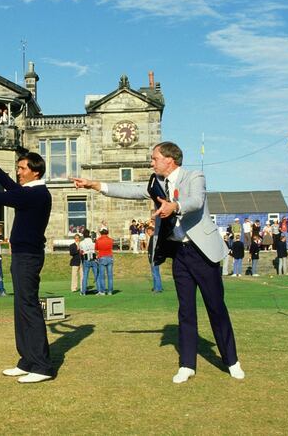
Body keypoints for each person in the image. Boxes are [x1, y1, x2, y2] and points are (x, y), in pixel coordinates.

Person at [73, 141, 244, 383]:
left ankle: (231, 360)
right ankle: (187, 365)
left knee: (216, 308)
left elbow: (196, 201)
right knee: (185, 311)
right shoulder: (156, 184)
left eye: (154, 158)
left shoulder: (195, 176)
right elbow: (130, 190)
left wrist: (174, 206)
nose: (151, 163)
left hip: (203, 252)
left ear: (169, 160)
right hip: (180, 255)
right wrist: (95, 185)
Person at [0, 149, 54, 383]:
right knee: (21, 308)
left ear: (35, 172)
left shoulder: (36, 194)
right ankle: (27, 361)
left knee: (29, 308)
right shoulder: (30, 191)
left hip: (28, 257)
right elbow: (10, 187)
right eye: (18, 168)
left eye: (22, 169)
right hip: (22, 256)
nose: (18, 172)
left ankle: (42, 366)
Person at [94, 226, 114, 295]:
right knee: (110, 276)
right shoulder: (110, 240)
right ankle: (110, 291)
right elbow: (111, 247)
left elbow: (96, 249)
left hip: (101, 257)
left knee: (102, 276)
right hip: (109, 257)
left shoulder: (98, 240)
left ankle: (102, 291)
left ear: (101, 232)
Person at [79, 229, 98, 295]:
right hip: (94, 258)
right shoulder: (93, 241)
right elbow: (96, 249)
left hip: (86, 259)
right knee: (96, 275)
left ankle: (83, 291)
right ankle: (99, 290)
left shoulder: (81, 242)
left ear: (83, 235)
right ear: (89, 234)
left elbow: (81, 252)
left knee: (85, 276)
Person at [147, 225, 163, 293]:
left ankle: (157, 288)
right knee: (156, 273)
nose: (148, 233)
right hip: (154, 258)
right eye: (147, 232)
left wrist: (151, 257)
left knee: (155, 273)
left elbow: (152, 249)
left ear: (153, 231)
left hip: (154, 258)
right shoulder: (153, 237)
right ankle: (157, 287)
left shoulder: (153, 238)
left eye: (149, 231)